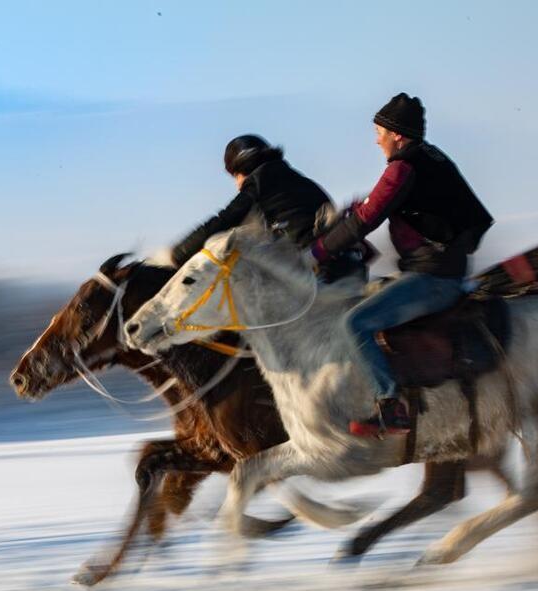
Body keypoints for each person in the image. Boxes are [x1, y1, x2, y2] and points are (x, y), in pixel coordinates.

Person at [309, 93, 494, 438]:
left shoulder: (402, 167)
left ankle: (391, 404)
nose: (375, 139)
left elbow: (367, 218)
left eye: (379, 131)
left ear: (397, 134)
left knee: (355, 323)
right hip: (442, 270)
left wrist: (316, 253)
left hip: (432, 277)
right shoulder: (433, 158)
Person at [170, 135, 336, 269]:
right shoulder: (298, 180)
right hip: (337, 258)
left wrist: (180, 252)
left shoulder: (259, 182)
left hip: (311, 267)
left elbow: (224, 220)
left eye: (235, 176)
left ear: (241, 169)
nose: (237, 185)